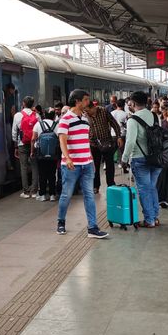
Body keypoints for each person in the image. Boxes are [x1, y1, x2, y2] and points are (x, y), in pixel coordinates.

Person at [56, 89, 109, 239]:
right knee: (66, 195)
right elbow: (62, 140)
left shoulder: (86, 119)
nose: (89, 102)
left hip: (86, 163)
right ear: (77, 101)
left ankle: (92, 227)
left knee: (89, 196)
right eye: (86, 100)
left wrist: (91, 160)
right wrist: (67, 158)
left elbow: (86, 142)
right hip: (71, 165)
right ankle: (61, 222)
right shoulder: (65, 119)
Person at [121, 91, 162, 228]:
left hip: (139, 158)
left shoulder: (133, 120)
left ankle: (149, 220)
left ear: (132, 103)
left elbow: (130, 141)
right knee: (152, 187)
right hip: (156, 158)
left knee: (144, 189)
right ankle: (155, 217)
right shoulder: (156, 116)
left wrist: (124, 159)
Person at [86, 100, 123, 193]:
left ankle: (111, 184)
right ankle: (96, 186)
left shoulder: (103, 111)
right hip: (93, 144)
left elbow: (114, 124)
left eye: (88, 110)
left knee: (109, 165)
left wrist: (119, 137)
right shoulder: (85, 115)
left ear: (93, 107)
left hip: (106, 142)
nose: (87, 113)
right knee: (95, 166)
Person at [12, 96, 39, 198]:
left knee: (23, 167)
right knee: (34, 166)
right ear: (32, 104)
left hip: (22, 144)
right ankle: (34, 191)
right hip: (34, 144)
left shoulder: (18, 115)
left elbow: (14, 132)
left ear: (23, 103)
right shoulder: (36, 115)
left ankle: (26, 192)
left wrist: (15, 145)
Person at [31, 108, 59, 201]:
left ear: (44, 115)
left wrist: (32, 151)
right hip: (53, 154)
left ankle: (42, 195)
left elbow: (33, 139)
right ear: (54, 116)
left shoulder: (38, 124)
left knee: (42, 174)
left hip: (41, 154)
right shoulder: (57, 125)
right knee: (52, 174)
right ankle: (52, 195)